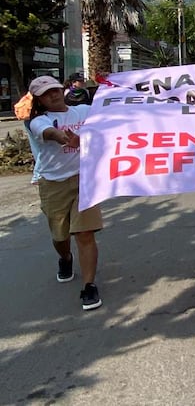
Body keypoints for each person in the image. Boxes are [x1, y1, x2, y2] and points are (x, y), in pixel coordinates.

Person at [27, 75, 103, 309]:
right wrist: (65, 138)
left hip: (84, 180)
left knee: (85, 234)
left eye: (55, 89)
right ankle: (65, 258)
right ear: (39, 100)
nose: (53, 94)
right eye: (46, 93)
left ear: (62, 89)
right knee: (60, 236)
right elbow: (50, 133)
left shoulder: (83, 111)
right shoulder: (39, 121)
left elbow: (108, 120)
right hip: (54, 183)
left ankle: (89, 286)